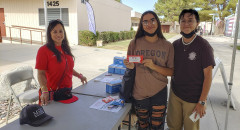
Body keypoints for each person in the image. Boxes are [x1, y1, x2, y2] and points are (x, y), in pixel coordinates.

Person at [123, 11, 174, 130]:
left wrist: (154, 66)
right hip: (139, 93)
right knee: (142, 126)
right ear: (141, 24)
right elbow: (131, 68)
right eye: (145, 21)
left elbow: (172, 72)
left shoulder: (167, 46)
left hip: (159, 92)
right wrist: (130, 67)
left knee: (157, 126)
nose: (149, 24)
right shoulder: (134, 44)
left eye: (152, 20)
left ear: (157, 22)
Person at [167, 9, 215, 130]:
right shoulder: (175, 45)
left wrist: (202, 102)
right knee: (173, 126)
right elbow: (170, 68)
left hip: (193, 99)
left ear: (197, 23)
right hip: (175, 94)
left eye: (190, 20)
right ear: (179, 23)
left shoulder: (203, 46)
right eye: (183, 21)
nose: (186, 24)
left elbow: (208, 76)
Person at [35, 19, 87, 106]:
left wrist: (80, 76)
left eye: (61, 31)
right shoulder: (43, 50)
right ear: (49, 33)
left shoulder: (65, 48)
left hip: (67, 91)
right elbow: (40, 73)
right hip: (52, 94)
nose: (58, 34)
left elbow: (68, 68)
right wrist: (44, 90)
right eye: (55, 32)